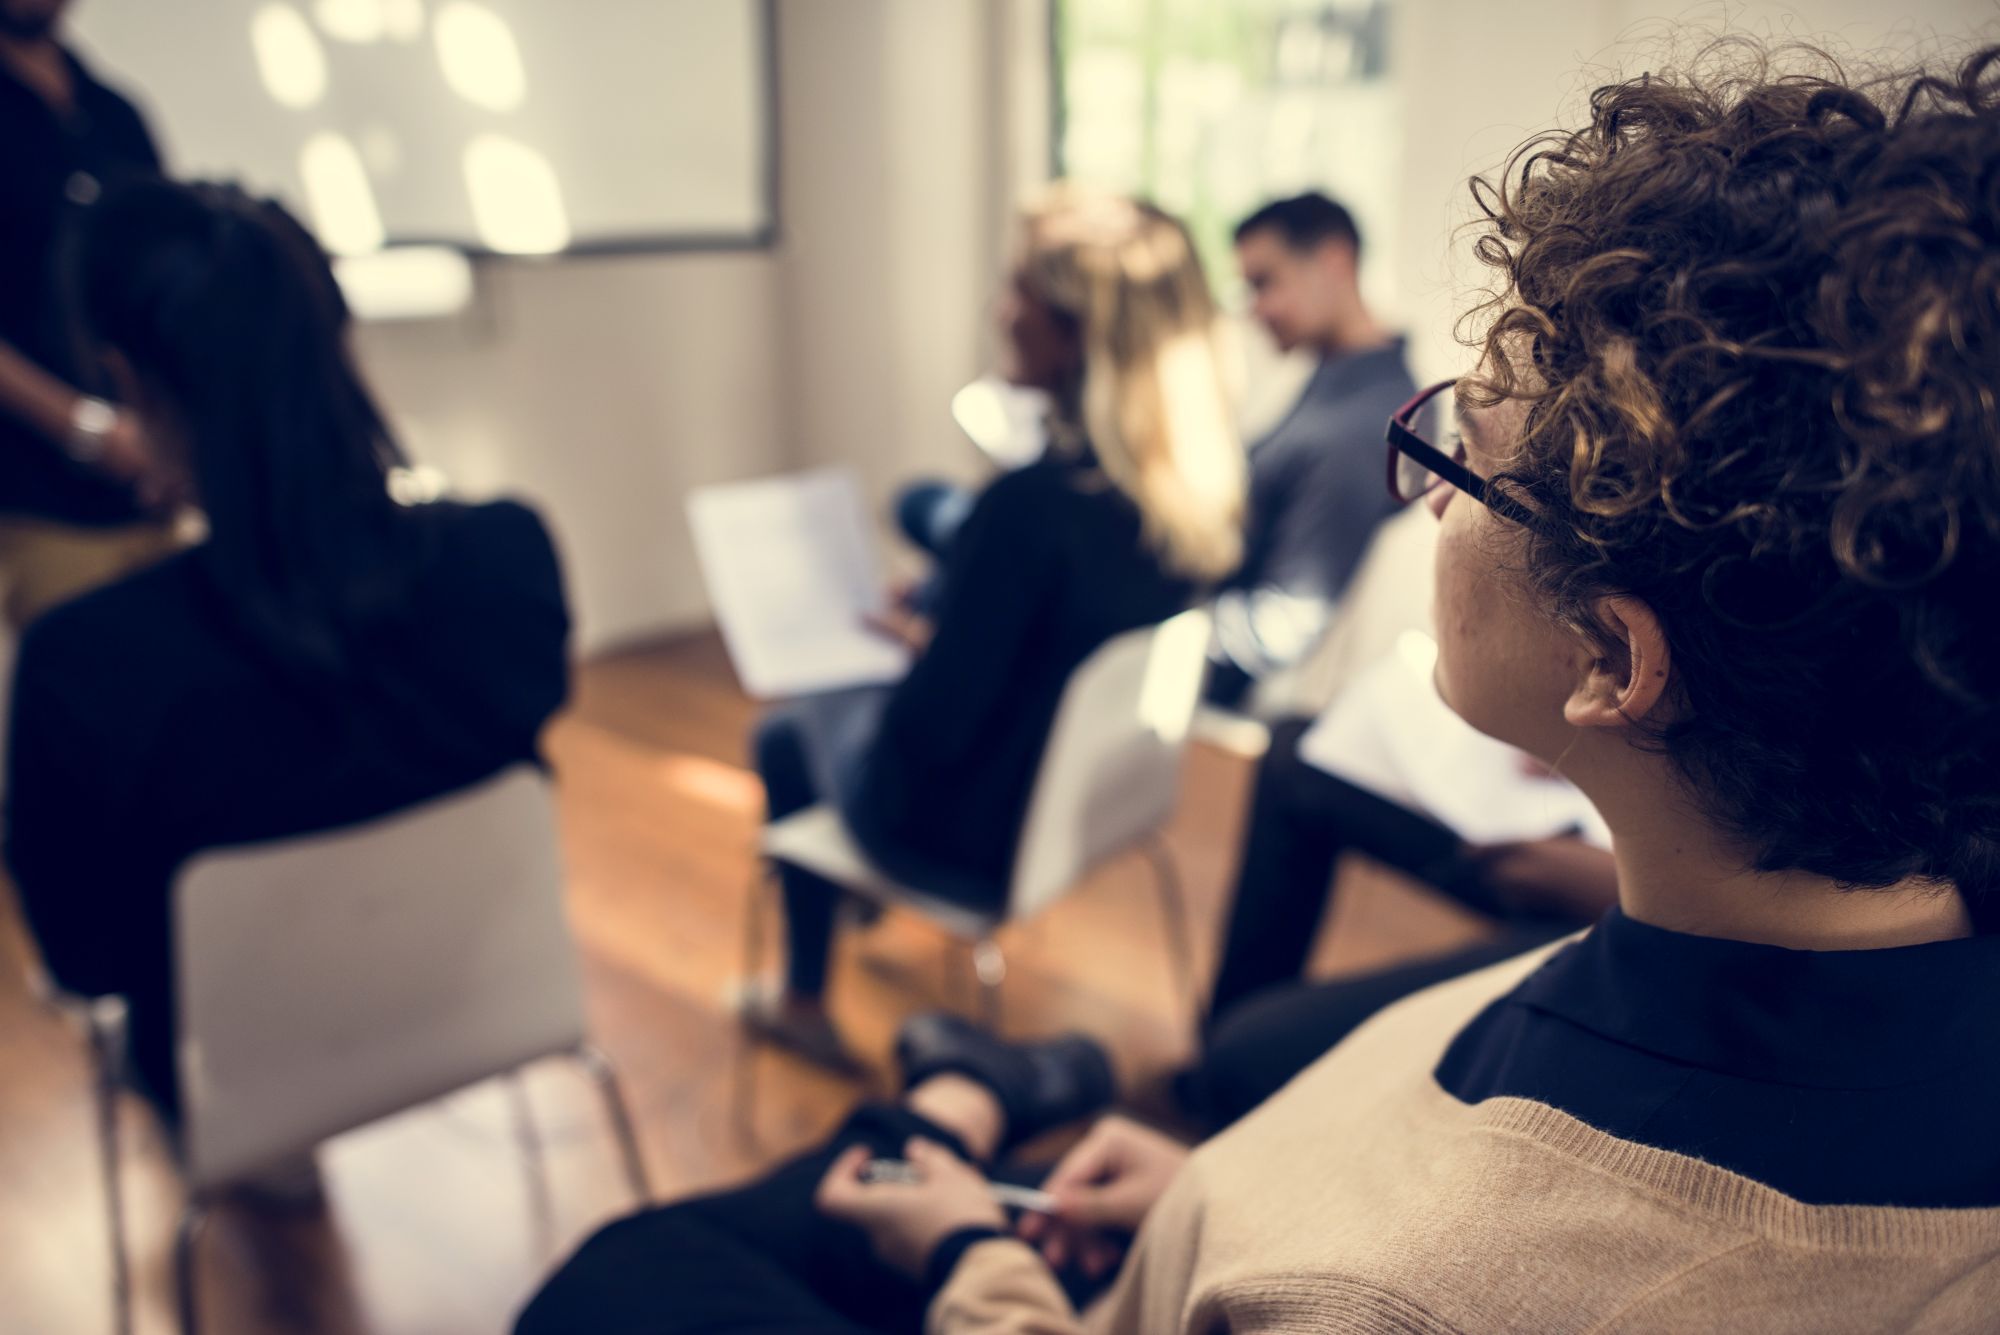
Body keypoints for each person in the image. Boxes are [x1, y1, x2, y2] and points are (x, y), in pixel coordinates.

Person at [523, 43, 2000, 1332]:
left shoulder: (1398, 1290)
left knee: (625, 1271)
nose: (1428, 496)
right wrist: (1211, 1200)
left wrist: (971, 1248)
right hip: (1204, 1211)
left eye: (1464, 454)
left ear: (1613, 661)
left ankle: (955, 1103)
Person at [5, 180, 571, 1121]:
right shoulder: (508, 553)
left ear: (129, 382)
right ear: (338, 341)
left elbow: (85, 960)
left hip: (232, 1072)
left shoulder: (84, 663)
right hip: (490, 1000)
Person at [746, 186, 1245, 1068]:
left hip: (965, 844)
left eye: (1018, 288)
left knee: (786, 728)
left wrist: (923, 649)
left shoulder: (1028, 510)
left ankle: (802, 997)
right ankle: (831, 914)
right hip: (1090, 812)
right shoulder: (1192, 490)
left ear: (1077, 328)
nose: (998, 308)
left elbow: (929, 734)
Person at [1187, 637, 1618, 1130]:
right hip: (1600, 836)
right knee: (1299, 756)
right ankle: (1221, 1080)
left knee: (1246, 1055)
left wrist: (1614, 886)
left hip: (1619, 910)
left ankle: (1240, 1087)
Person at [0, 0, 180, 627]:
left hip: (158, 492)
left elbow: (169, 285)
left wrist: (171, 437)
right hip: (39, 503)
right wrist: (83, 428)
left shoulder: (115, 115)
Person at [1204, 191, 1416, 707]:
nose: (1254, 309)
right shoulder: (1337, 381)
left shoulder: (1360, 425)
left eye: (1264, 283)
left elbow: (1286, 620)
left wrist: (1164, 642)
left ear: (1334, 260)